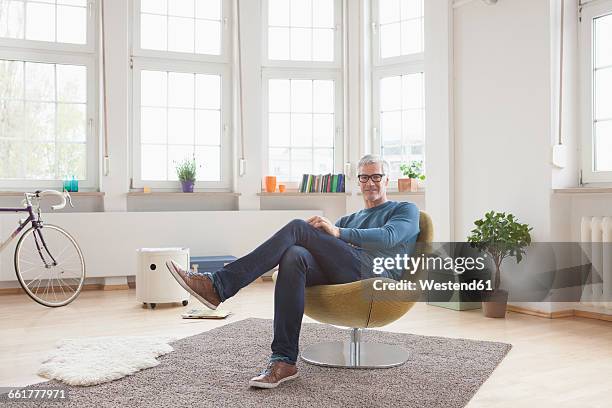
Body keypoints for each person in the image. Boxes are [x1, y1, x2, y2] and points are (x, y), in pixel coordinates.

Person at [166, 154, 420, 389]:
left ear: (387, 180)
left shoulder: (404, 210)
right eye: (365, 177)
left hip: (375, 276)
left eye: (376, 176)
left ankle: (218, 285)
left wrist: (336, 232)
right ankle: (284, 360)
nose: (370, 182)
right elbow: (333, 254)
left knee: (298, 227)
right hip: (346, 275)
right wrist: (326, 234)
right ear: (359, 182)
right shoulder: (348, 219)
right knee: (294, 255)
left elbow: (389, 237)